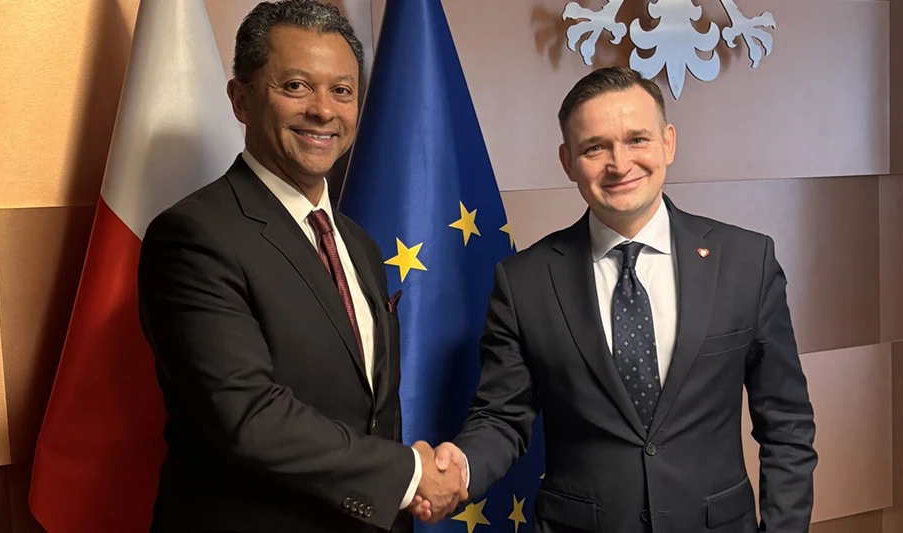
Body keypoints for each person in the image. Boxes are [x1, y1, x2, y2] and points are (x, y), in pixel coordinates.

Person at [427, 66, 818, 532]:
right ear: (568, 160)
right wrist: (462, 466)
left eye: (637, 139)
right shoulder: (523, 281)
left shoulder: (747, 261)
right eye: (595, 147)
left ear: (668, 142)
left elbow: (787, 425)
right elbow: (503, 418)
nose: (619, 163)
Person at [137, 2, 465, 532]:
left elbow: (371, 412)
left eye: (342, 90)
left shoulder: (357, 243)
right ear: (240, 100)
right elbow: (248, 417)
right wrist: (408, 474)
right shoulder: (193, 237)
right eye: (295, 85)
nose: (323, 110)